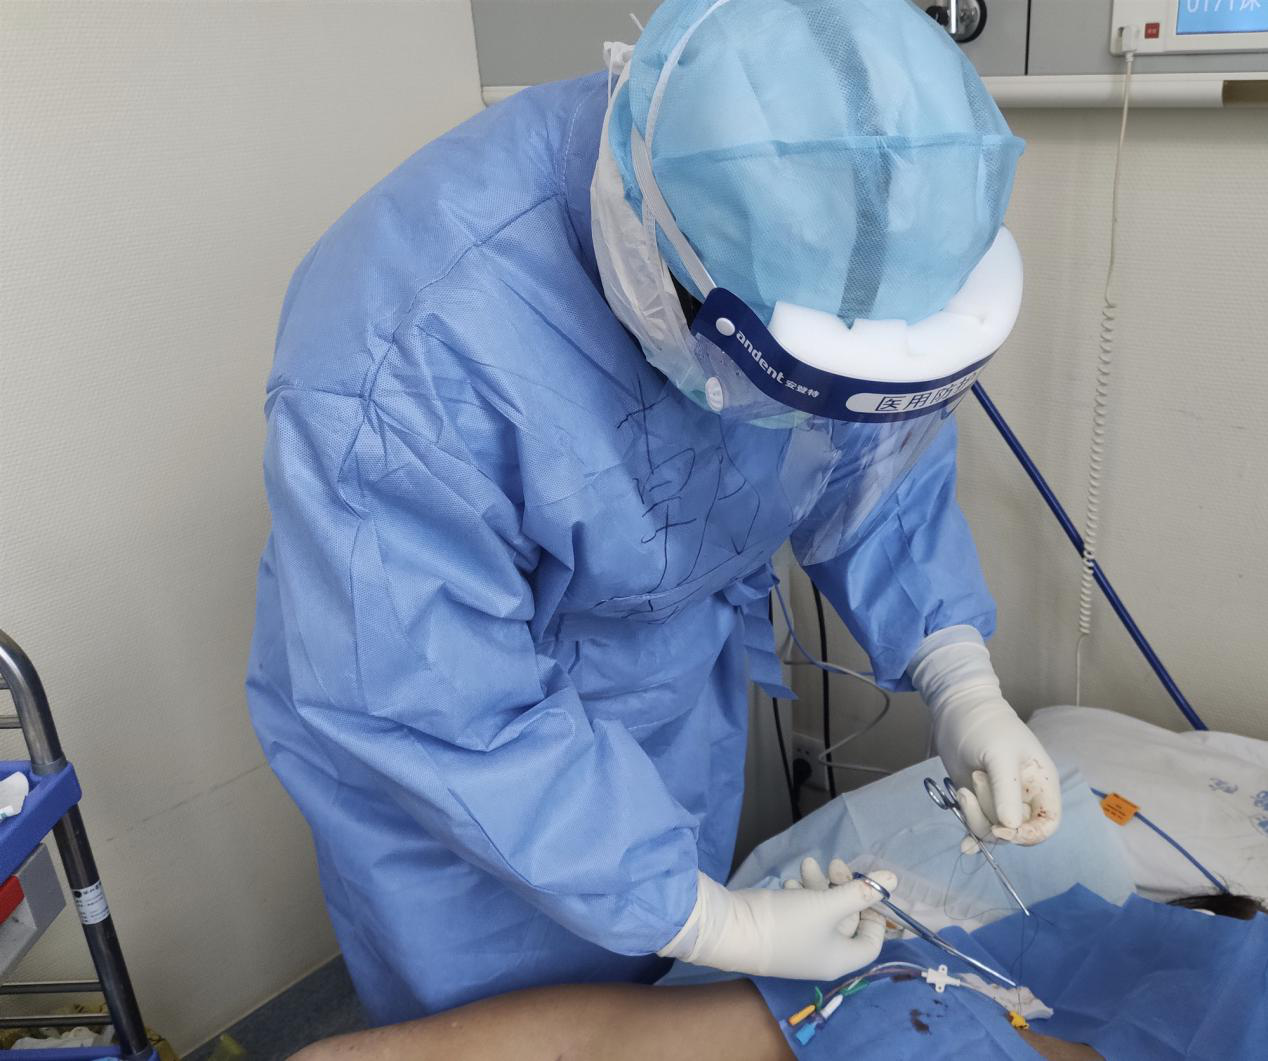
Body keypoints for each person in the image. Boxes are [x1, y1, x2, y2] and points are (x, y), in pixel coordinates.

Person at [246, 0, 1061, 1025]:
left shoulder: (817, 231)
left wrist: (958, 678)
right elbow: (439, 711)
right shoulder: (400, 355)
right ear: (662, 272)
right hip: (459, 768)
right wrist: (722, 923)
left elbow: (869, 463)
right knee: (514, 1025)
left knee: (661, 998)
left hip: (671, 684)